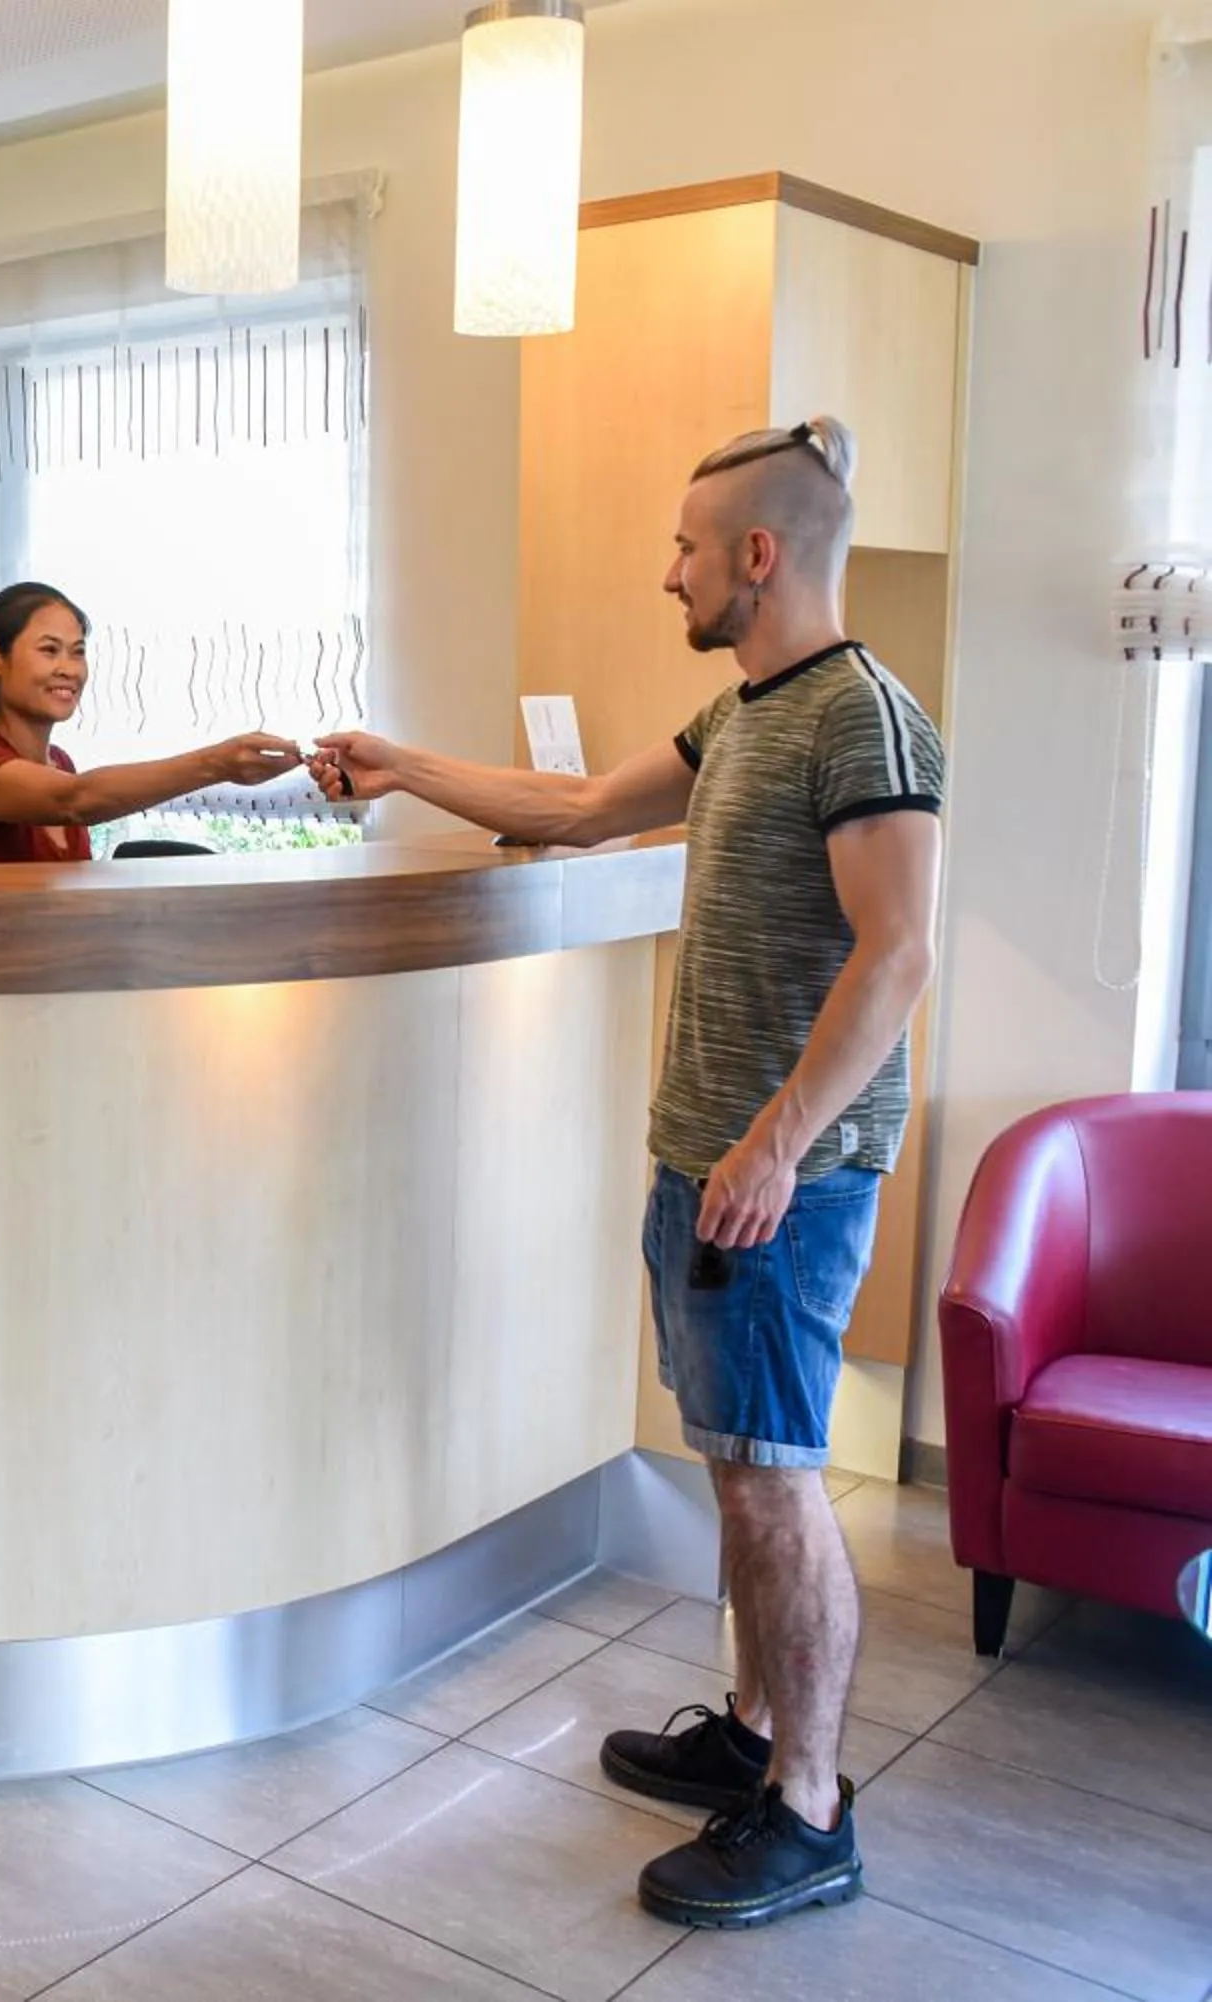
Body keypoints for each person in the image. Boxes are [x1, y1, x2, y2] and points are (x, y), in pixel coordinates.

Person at [309, 415, 943, 1931]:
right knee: (736, 1457)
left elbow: (901, 949)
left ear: (758, 554)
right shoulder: (744, 716)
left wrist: (775, 1143)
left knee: (777, 1481)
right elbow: (581, 804)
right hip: (711, 1160)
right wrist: (404, 767)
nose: (668, 572)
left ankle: (808, 1807)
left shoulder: (865, 717)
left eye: (683, 546)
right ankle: (749, 1724)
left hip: (783, 1178)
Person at [0, 582, 301, 863]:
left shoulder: (60, 763)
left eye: (78, 653)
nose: (68, 669)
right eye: (49, 650)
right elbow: (75, 799)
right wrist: (217, 763)